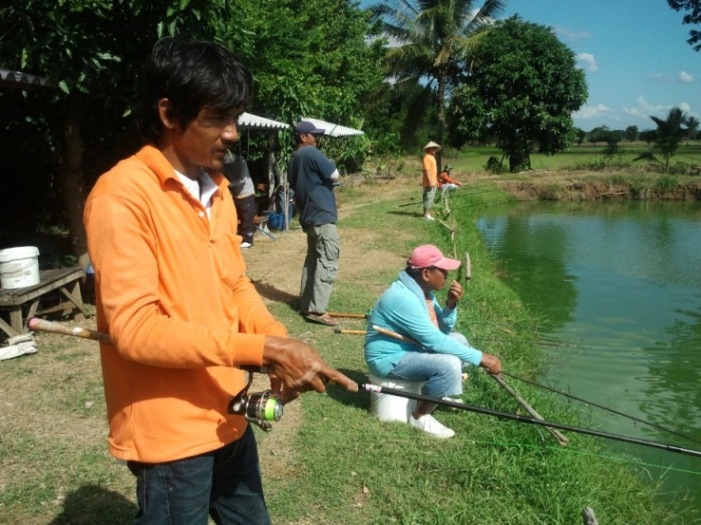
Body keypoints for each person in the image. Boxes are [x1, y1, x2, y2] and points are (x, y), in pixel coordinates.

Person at [84, 36, 357, 525]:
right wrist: (264, 352)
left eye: (235, 118)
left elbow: (234, 285)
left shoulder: (218, 189)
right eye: (217, 118)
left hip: (230, 410)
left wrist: (277, 340)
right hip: (169, 433)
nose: (232, 134)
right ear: (169, 114)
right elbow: (137, 330)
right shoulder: (121, 196)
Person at [364, 244, 502, 439]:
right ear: (427, 273)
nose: (447, 275)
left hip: (409, 348)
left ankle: (437, 391)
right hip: (389, 359)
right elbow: (435, 341)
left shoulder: (423, 291)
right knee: (449, 365)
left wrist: (451, 305)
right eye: (443, 270)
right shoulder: (404, 298)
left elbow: (442, 329)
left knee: (459, 341)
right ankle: (420, 416)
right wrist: (481, 357)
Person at [287, 120, 341, 327]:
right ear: (303, 137)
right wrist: (330, 164)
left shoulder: (293, 158)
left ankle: (306, 303)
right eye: (313, 135)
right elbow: (334, 175)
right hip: (322, 215)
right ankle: (317, 310)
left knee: (313, 261)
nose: (316, 139)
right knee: (328, 259)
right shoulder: (311, 152)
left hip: (308, 216)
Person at [223, 151, 256, 248]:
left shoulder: (241, 162)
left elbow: (243, 179)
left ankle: (248, 240)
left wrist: (229, 184)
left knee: (247, 218)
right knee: (236, 217)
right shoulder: (224, 165)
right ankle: (239, 238)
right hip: (235, 193)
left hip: (246, 192)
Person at [421, 141, 441, 221]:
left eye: (435, 148)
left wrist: (436, 181)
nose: (434, 150)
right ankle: (425, 215)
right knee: (428, 197)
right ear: (428, 149)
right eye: (432, 148)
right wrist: (430, 182)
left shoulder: (432, 157)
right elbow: (426, 171)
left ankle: (427, 214)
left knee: (431, 198)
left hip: (433, 182)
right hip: (429, 182)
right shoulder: (427, 157)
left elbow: (433, 172)